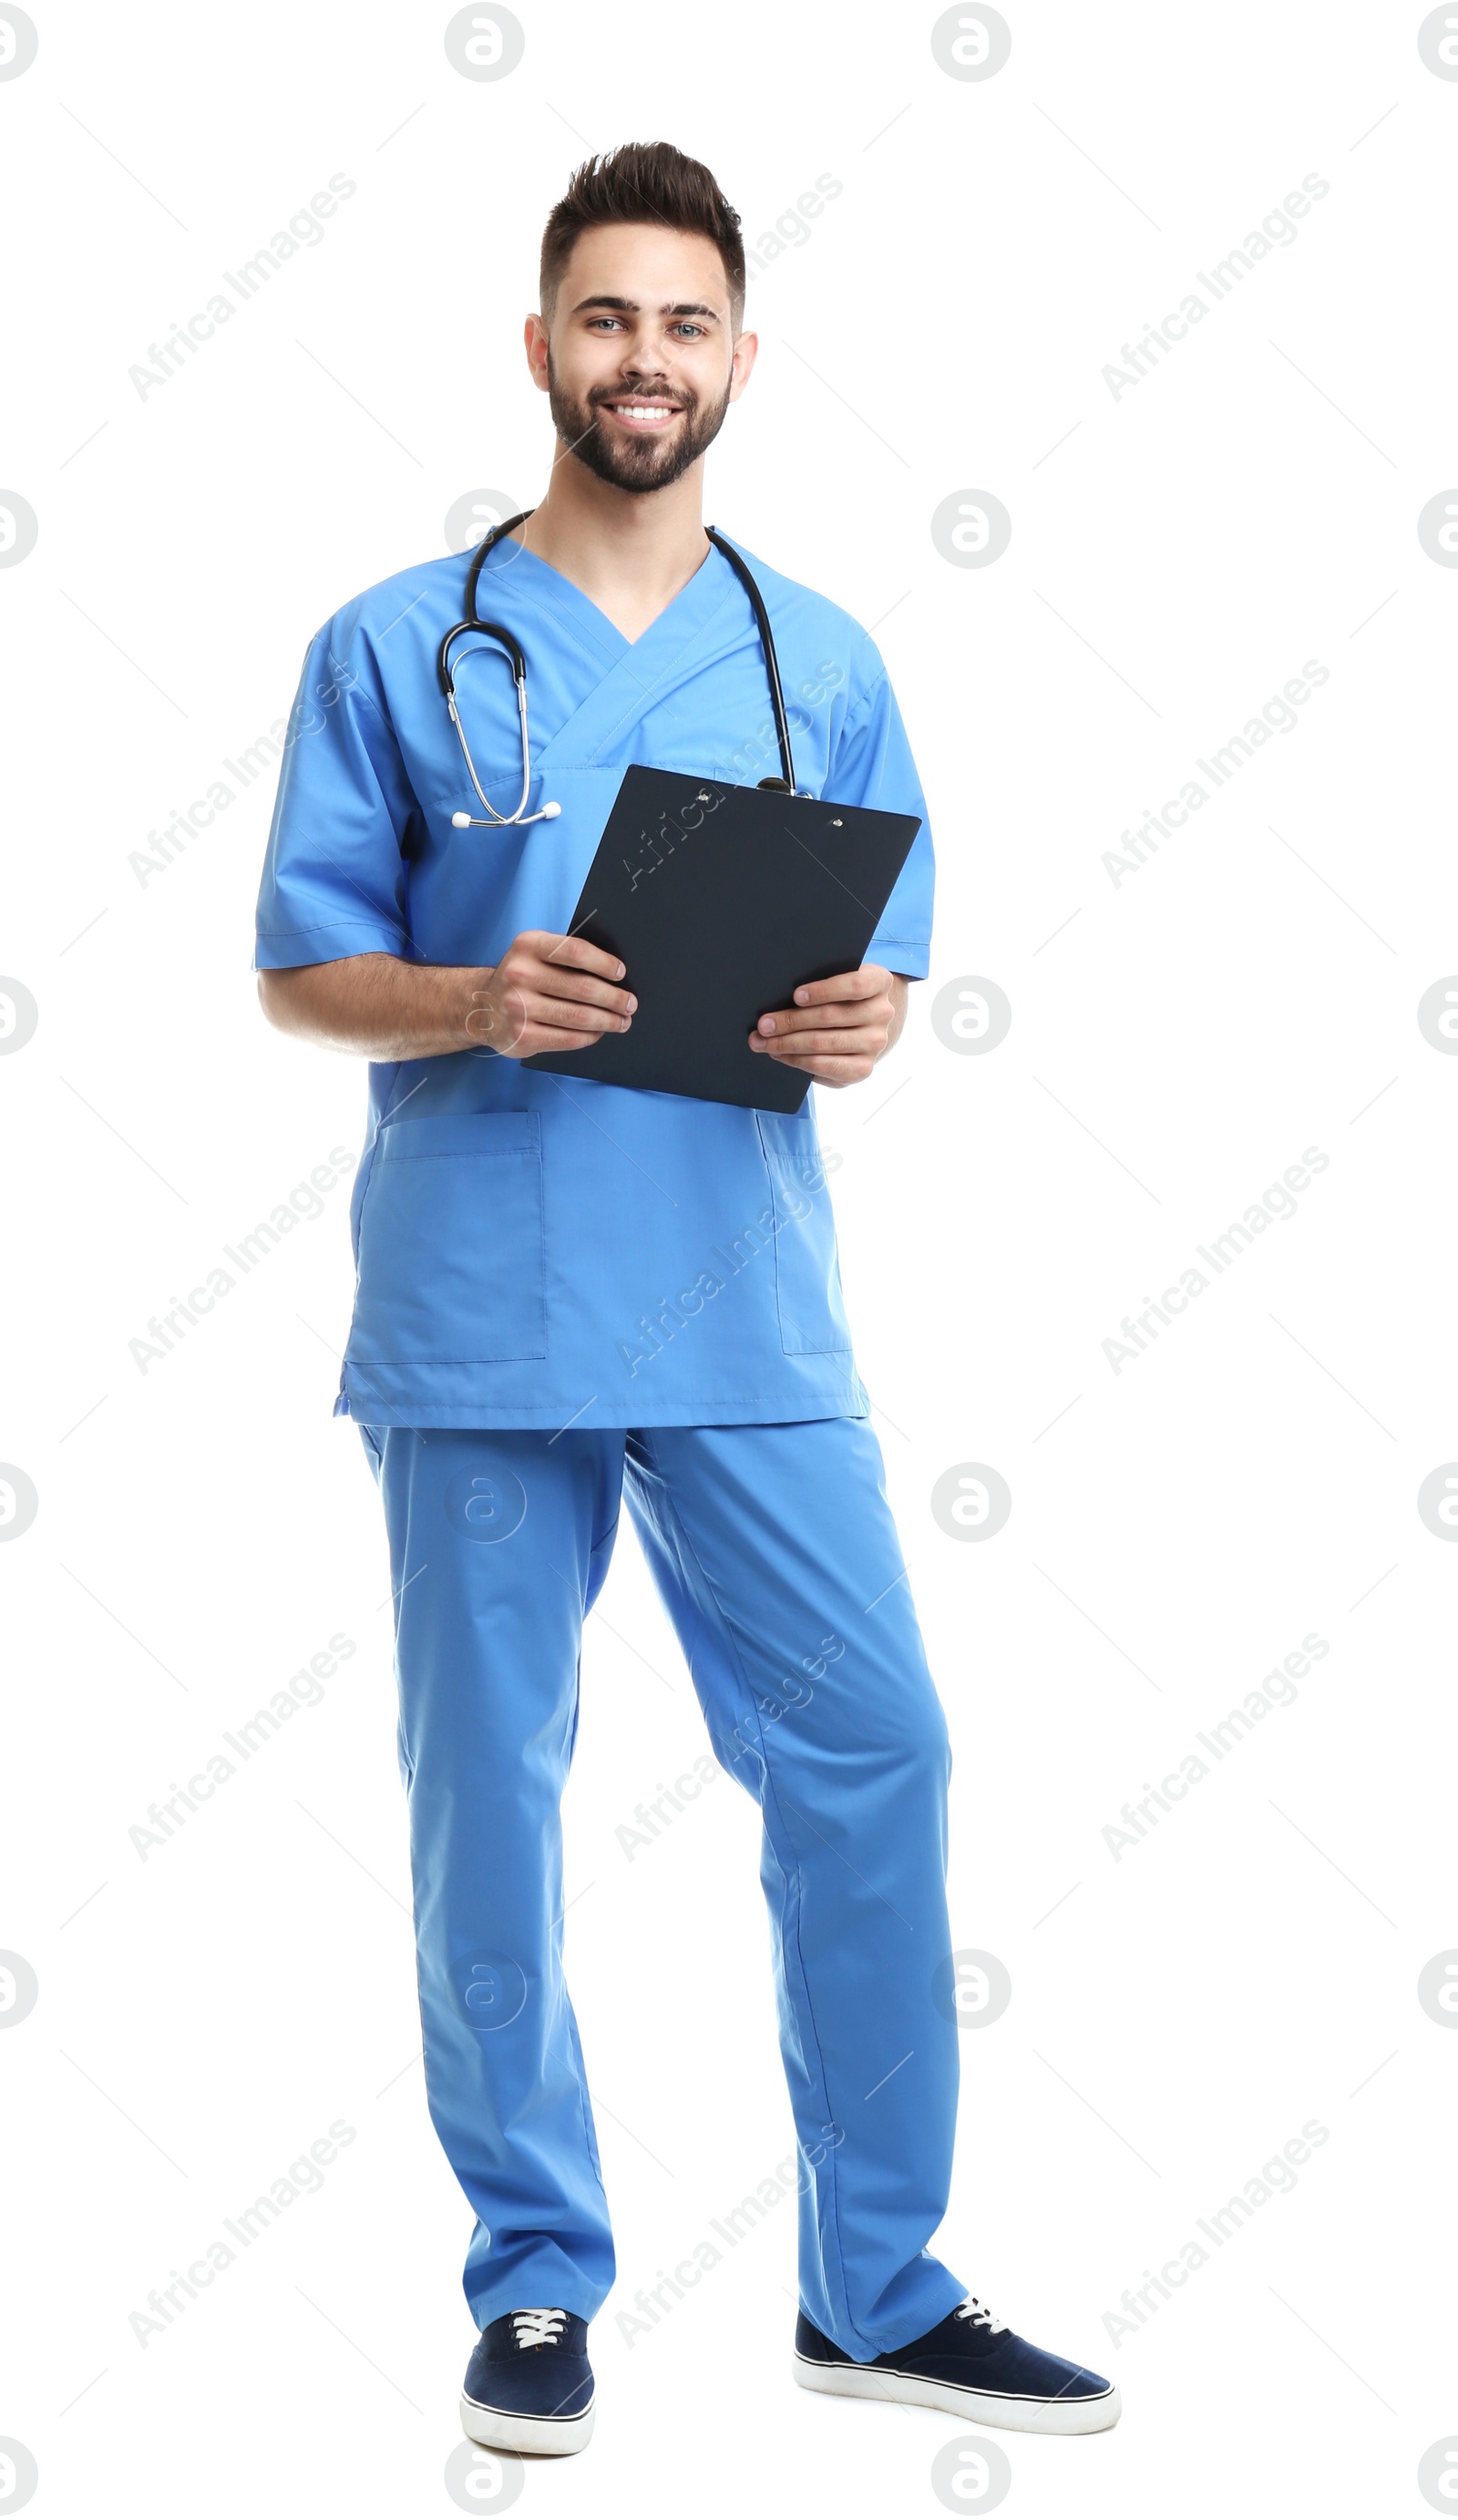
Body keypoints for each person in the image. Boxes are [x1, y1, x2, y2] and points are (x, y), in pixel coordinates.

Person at [254, 140, 1119, 2459]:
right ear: (539, 346)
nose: (645, 361)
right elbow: (296, 973)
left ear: (741, 355)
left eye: (687, 323)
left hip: (739, 1309)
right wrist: (468, 1003)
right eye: (605, 320)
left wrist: (873, 1022)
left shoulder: (810, 655)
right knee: (490, 1809)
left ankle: (878, 2285)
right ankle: (533, 2283)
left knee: (874, 1752)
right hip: (479, 1306)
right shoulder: (390, 642)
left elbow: (877, 962)